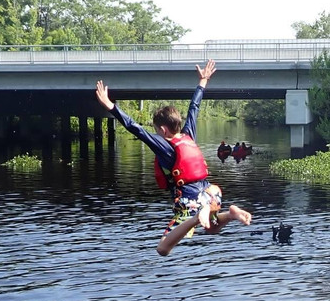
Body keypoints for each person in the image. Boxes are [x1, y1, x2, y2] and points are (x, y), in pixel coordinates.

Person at [94, 60, 252, 256]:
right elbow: (194, 107)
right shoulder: (188, 135)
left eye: (157, 131)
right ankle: (230, 214)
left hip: (191, 199)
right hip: (212, 193)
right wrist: (203, 81)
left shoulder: (165, 146)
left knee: (163, 249)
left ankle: (196, 218)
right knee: (211, 228)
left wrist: (111, 106)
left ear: (162, 129)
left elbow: (135, 128)